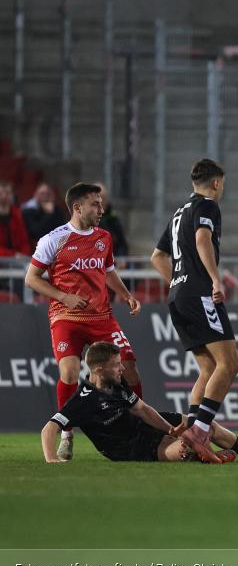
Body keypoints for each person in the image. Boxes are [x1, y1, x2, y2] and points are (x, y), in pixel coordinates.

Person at [25, 182, 145, 462]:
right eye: (96, 204)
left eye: (101, 204)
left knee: (129, 366)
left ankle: (137, 423)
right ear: (77, 207)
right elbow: (31, 278)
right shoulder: (53, 240)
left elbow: (108, 272)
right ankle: (66, 432)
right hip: (66, 316)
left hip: (102, 317)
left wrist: (127, 296)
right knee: (69, 373)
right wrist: (63, 297)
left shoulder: (105, 237)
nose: (101, 209)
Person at [41, 342, 238, 463]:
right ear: (97, 369)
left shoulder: (116, 384)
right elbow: (49, 427)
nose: (121, 369)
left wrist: (170, 428)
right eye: (116, 365)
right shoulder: (84, 399)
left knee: (200, 425)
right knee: (181, 449)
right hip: (127, 447)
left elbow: (143, 410)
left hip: (141, 425)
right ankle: (198, 455)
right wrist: (51, 459)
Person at [151, 159, 238, 464]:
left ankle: (191, 433)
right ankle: (199, 432)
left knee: (207, 369)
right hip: (199, 293)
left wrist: (178, 283)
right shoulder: (207, 206)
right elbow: (203, 238)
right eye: (223, 185)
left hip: (179, 296)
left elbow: (157, 256)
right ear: (216, 183)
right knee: (229, 365)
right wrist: (214, 279)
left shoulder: (179, 213)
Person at [21, 182, 68, 249]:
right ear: (35, 195)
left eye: (48, 194)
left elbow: (64, 231)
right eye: (42, 194)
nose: (45, 197)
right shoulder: (28, 211)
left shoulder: (58, 212)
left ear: (53, 196)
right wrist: (48, 214)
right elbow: (36, 233)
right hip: (36, 249)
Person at [97, 183, 129, 258]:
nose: (101, 202)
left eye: (103, 198)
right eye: (97, 200)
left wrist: (121, 258)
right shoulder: (86, 221)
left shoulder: (113, 218)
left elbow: (122, 243)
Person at [0, 180, 31, 258]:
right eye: (1, 193)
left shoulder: (18, 214)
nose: (4, 196)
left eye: (7, 193)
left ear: (12, 195)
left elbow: (24, 241)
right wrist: (13, 254)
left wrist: (23, 254)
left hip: (17, 259)